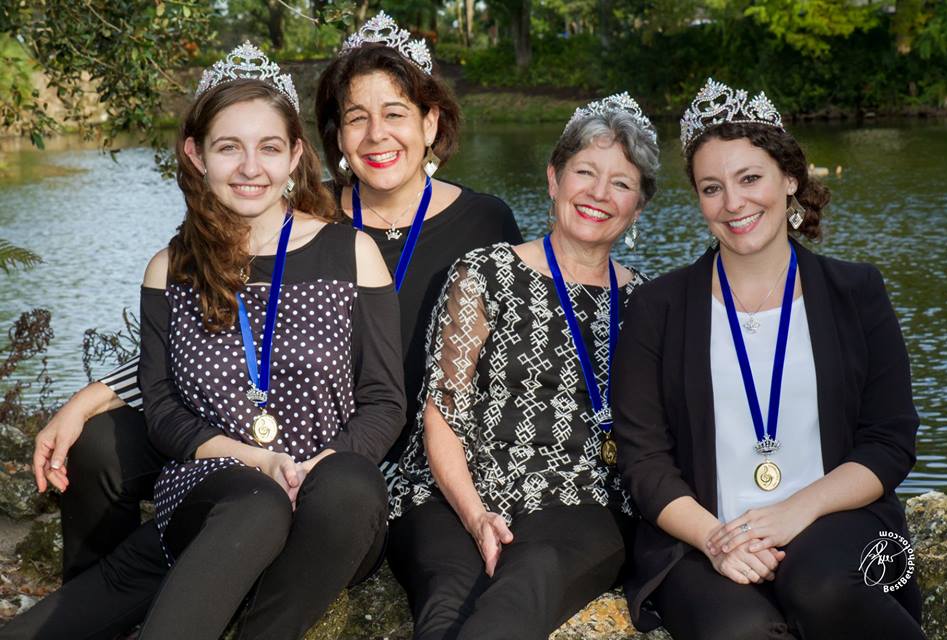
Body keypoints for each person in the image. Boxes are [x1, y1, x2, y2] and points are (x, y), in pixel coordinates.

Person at [30, 10, 522, 584]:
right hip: (271, 427)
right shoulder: (302, 215)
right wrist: (91, 398)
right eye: (355, 118)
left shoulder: (486, 222)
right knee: (99, 447)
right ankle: (102, 593)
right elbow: (215, 335)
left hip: (390, 448)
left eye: (395, 114)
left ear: (430, 123)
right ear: (333, 136)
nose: (376, 136)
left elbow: (513, 361)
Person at [3, 43, 404, 640]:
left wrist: (315, 468)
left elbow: (384, 400)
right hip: (216, 490)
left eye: (269, 148)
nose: (250, 168)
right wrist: (256, 461)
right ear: (196, 155)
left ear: (296, 156)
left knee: (349, 486)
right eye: (228, 147)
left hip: (327, 498)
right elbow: (162, 406)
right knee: (255, 504)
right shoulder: (169, 269)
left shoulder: (352, 254)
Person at [612, 78, 924, 639]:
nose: (733, 203)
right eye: (712, 188)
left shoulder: (856, 291)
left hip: (838, 520)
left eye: (750, 178)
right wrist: (715, 539)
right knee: (739, 632)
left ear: (790, 179)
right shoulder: (657, 307)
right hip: (703, 534)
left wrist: (795, 511)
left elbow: (889, 440)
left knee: (821, 588)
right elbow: (644, 459)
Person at [387, 92, 660, 640]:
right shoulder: (483, 272)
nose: (599, 194)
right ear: (554, 179)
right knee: (448, 596)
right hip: (452, 488)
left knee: (523, 587)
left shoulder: (648, 304)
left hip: (582, 497)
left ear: (637, 208)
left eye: (621, 183)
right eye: (585, 172)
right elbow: (442, 412)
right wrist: (475, 515)